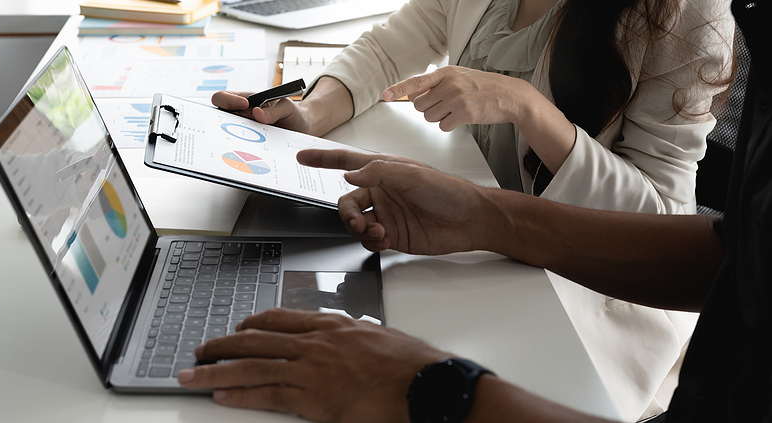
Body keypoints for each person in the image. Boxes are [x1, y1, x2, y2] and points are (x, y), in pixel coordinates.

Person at [178, 0, 770, 421]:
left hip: (584, 294)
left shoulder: (686, 14)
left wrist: (532, 112)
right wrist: (309, 113)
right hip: (477, 244)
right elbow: (392, 43)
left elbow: (664, 220)